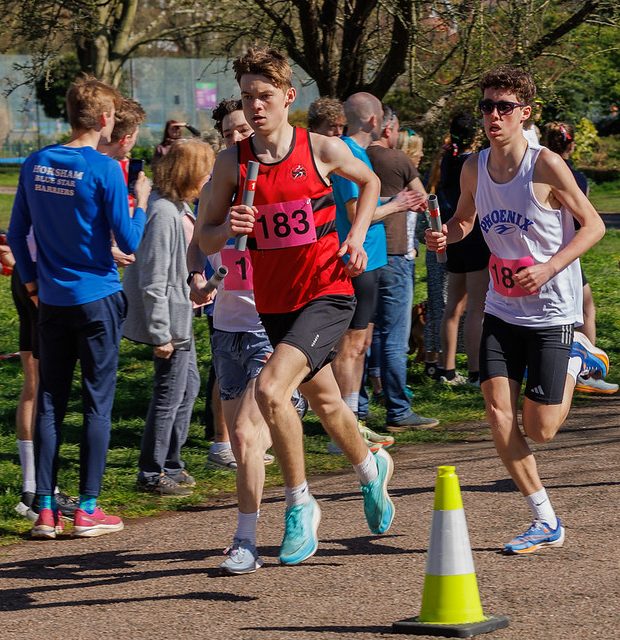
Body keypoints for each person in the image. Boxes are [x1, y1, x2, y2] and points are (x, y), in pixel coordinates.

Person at [201, 46, 395, 566]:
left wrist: (356, 236)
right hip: (275, 303)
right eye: (247, 96)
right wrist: (228, 227)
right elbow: (204, 236)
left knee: (271, 389)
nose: (255, 106)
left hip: (328, 292)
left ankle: (299, 503)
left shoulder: (321, 149)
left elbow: (371, 181)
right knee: (327, 403)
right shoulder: (232, 163)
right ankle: (370, 469)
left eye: (265, 95)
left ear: (289, 96)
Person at [426, 65, 608, 554]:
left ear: (524, 113)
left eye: (504, 107)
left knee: (541, 430)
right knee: (497, 412)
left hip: (551, 309)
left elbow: (593, 226)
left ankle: (576, 358)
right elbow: (465, 220)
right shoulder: (473, 166)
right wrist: (446, 235)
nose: (493, 115)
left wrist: (549, 268)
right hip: (503, 308)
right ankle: (544, 518)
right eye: (487, 106)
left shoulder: (545, 165)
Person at [8, 75, 149, 539]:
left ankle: (46, 510)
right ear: (106, 118)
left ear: (70, 114)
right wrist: (141, 202)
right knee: (96, 403)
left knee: (50, 401)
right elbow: (129, 239)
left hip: (51, 300)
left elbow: (18, 231)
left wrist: (32, 283)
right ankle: (88, 508)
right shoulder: (106, 169)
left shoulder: (36, 162)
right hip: (97, 298)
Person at [330, 93, 425, 453]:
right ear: (374, 121)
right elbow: (355, 214)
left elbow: (364, 206)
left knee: (362, 345)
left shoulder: (359, 153)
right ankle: (341, 432)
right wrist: (397, 205)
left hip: (369, 260)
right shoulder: (347, 153)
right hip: (356, 260)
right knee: (349, 347)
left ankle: (352, 423)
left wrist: (391, 203)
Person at [187, 98, 276, 471]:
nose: (236, 138)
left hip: (271, 316)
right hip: (226, 314)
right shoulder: (214, 188)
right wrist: (196, 277)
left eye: (242, 130)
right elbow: (197, 245)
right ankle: (224, 446)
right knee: (239, 427)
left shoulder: (278, 180)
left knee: (252, 425)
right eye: (228, 134)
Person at [123, 139, 214, 496]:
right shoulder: (163, 213)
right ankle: (151, 471)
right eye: (205, 172)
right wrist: (161, 333)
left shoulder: (176, 206)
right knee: (169, 394)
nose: (209, 178)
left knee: (188, 387)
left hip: (180, 315)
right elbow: (154, 279)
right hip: (170, 324)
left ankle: (171, 463)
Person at [366, 105, 439, 432]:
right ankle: (398, 408)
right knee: (395, 335)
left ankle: (360, 405)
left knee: (364, 333)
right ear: (388, 128)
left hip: (364, 253)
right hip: (397, 253)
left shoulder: (353, 156)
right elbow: (424, 201)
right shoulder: (397, 159)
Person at [541, 121, 617, 394]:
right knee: (586, 310)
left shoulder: (535, 172)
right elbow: (582, 221)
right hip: (566, 253)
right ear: (571, 145)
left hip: (539, 254)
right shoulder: (576, 178)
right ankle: (585, 369)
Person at [436, 111, 490, 386]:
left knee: (453, 306)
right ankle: (476, 371)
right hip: (474, 235)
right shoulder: (474, 162)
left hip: (452, 235)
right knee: (476, 308)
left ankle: (446, 369)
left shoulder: (447, 159)